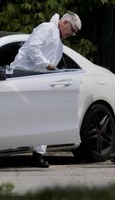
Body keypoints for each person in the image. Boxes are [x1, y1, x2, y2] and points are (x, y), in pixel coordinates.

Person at [10, 11, 82, 168]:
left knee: (43, 115)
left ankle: (38, 154)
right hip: (21, 75)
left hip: (37, 80)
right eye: (73, 30)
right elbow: (33, 48)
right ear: (65, 23)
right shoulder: (47, 28)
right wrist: (46, 64)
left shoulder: (59, 44)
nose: (72, 34)